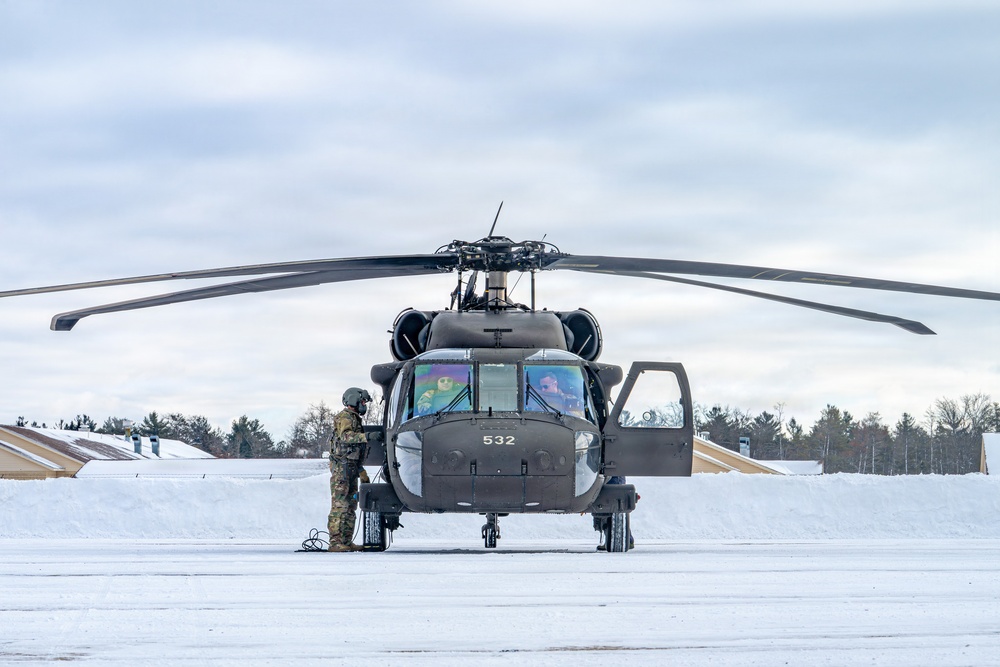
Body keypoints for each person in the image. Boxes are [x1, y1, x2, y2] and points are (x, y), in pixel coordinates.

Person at [328, 387, 373, 552]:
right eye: (362, 402)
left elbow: (355, 450)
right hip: (342, 467)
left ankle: (346, 541)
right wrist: (366, 436)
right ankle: (335, 543)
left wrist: (361, 471)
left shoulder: (355, 419)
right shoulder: (344, 417)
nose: (364, 405)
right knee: (340, 505)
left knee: (351, 505)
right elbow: (345, 437)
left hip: (351, 466)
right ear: (354, 400)